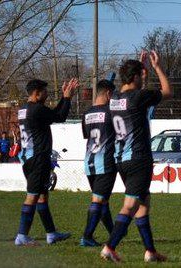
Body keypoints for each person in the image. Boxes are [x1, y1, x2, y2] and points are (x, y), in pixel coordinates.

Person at [100, 50, 173, 263]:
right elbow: (168, 92)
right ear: (135, 78)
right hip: (138, 158)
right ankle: (110, 247)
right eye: (142, 76)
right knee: (131, 204)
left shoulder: (113, 98)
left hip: (121, 158)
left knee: (143, 203)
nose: (145, 79)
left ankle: (150, 251)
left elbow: (134, 88)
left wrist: (140, 66)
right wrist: (157, 67)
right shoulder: (139, 97)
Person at [15, 78, 78, 246]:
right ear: (37, 93)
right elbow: (60, 116)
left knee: (42, 196)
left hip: (28, 158)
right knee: (33, 196)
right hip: (38, 159)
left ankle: (51, 233)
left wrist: (64, 98)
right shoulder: (36, 110)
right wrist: (67, 98)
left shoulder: (24, 109)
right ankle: (22, 236)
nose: (47, 93)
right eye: (44, 91)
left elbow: (52, 115)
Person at [80, 80, 117, 247]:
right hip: (105, 161)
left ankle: (114, 234)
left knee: (103, 201)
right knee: (98, 200)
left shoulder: (86, 113)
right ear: (108, 94)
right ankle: (87, 236)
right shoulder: (110, 112)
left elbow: (87, 136)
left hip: (89, 162)